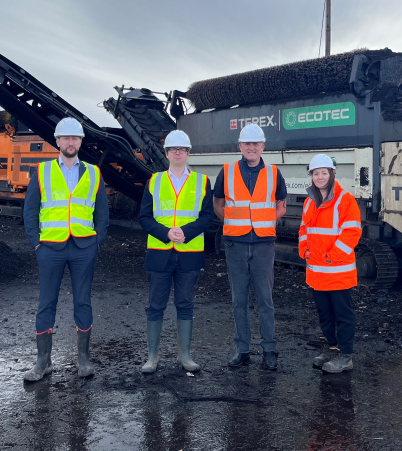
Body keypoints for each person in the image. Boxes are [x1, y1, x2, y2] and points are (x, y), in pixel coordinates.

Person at [22, 117, 109, 381]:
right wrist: (36, 242)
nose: (70, 142)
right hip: (50, 247)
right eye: (66, 138)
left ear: (81, 142)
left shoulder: (94, 173)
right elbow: (30, 209)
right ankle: (42, 362)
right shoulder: (43, 171)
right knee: (46, 302)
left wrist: (97, 242)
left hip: (84, 247)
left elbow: (102, 212)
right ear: (57, 141)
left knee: (83, 301)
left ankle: (83, 360)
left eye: (75, 138)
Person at [138, 130, 214, 373]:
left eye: (182, 149)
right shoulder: (154, 180)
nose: (178, 152)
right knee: (155, 305)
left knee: (185, 303)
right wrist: (165, 233)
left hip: (189, 253)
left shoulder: (202, 182)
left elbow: (207, 217)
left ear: (188, 153)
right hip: (159, 251)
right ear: (167, 153)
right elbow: (144, 217)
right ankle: (152, 357)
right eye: (173, 149)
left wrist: (186, 231)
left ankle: (185, 356)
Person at [213, 123, 287, 370]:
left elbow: (281, 204)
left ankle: (269, 349)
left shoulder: (274, 173)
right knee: (239, 300)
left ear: (263, 146)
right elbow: (218, 202)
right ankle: (242, 349)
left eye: (256, 143)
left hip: (263, 244)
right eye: (247, 144)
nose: (252, 147)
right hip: (235, 243)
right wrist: (233, 225)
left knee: (265, 299)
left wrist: (263, 224)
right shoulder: (228, 170)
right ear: (240, 147)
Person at [298, 154, 362, 373]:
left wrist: (332, 256)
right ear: (311, 176)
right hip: (317, 271)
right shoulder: (310, 201)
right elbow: (304, 229)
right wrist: (304, 249)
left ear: (332, 173)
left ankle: (346, 355)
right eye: (316, 173)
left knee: (343, 314)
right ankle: (332, 347)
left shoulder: (345, 200)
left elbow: (352, 232)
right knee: (324, 313)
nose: (319, 177)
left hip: (337, 270)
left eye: (324, 172)